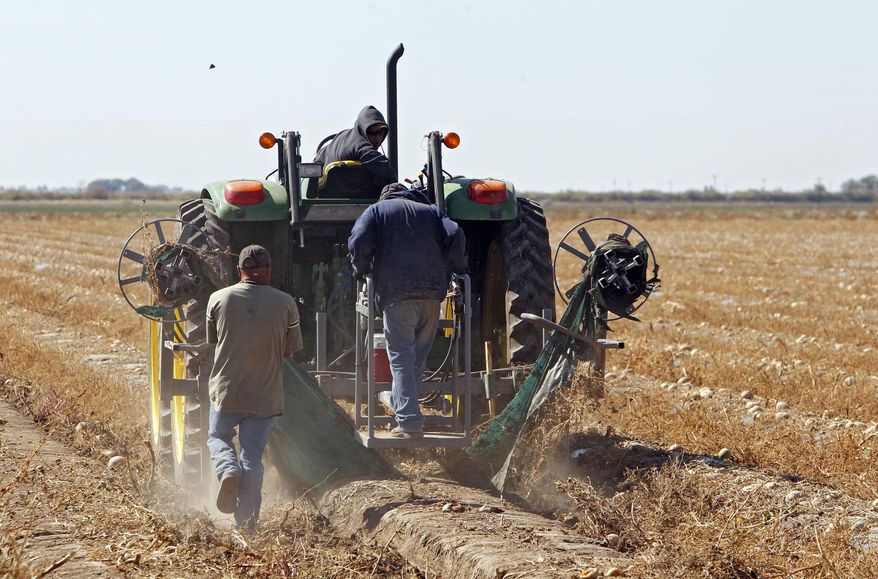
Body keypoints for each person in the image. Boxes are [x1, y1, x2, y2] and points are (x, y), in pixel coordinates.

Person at [348, 184, 468, 439]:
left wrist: (360, 268)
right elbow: (455, 232)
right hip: (433, 294)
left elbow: (358, 240)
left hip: (397, 294)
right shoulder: (432, 211)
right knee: (416, 360)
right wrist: (455, 266)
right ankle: (403, 406)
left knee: (401, 358)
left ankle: (409, 422)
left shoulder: (376, 211)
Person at [205, 245, 302, 531]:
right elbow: (290, 350)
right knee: (252, 459)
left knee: (218, 437)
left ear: (239, 271)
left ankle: (226, 469)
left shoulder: (217, 299)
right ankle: (246, 524)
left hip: (226, 392)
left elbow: (214, 340)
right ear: (269, 271)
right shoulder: (286, 303)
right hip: (264, 397)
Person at [314, 105, 394, 193]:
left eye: (381, 133)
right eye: (373, 133)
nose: (378, 139)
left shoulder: (343, 137)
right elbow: (383, 168)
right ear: (363, 129)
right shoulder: (359, 145)